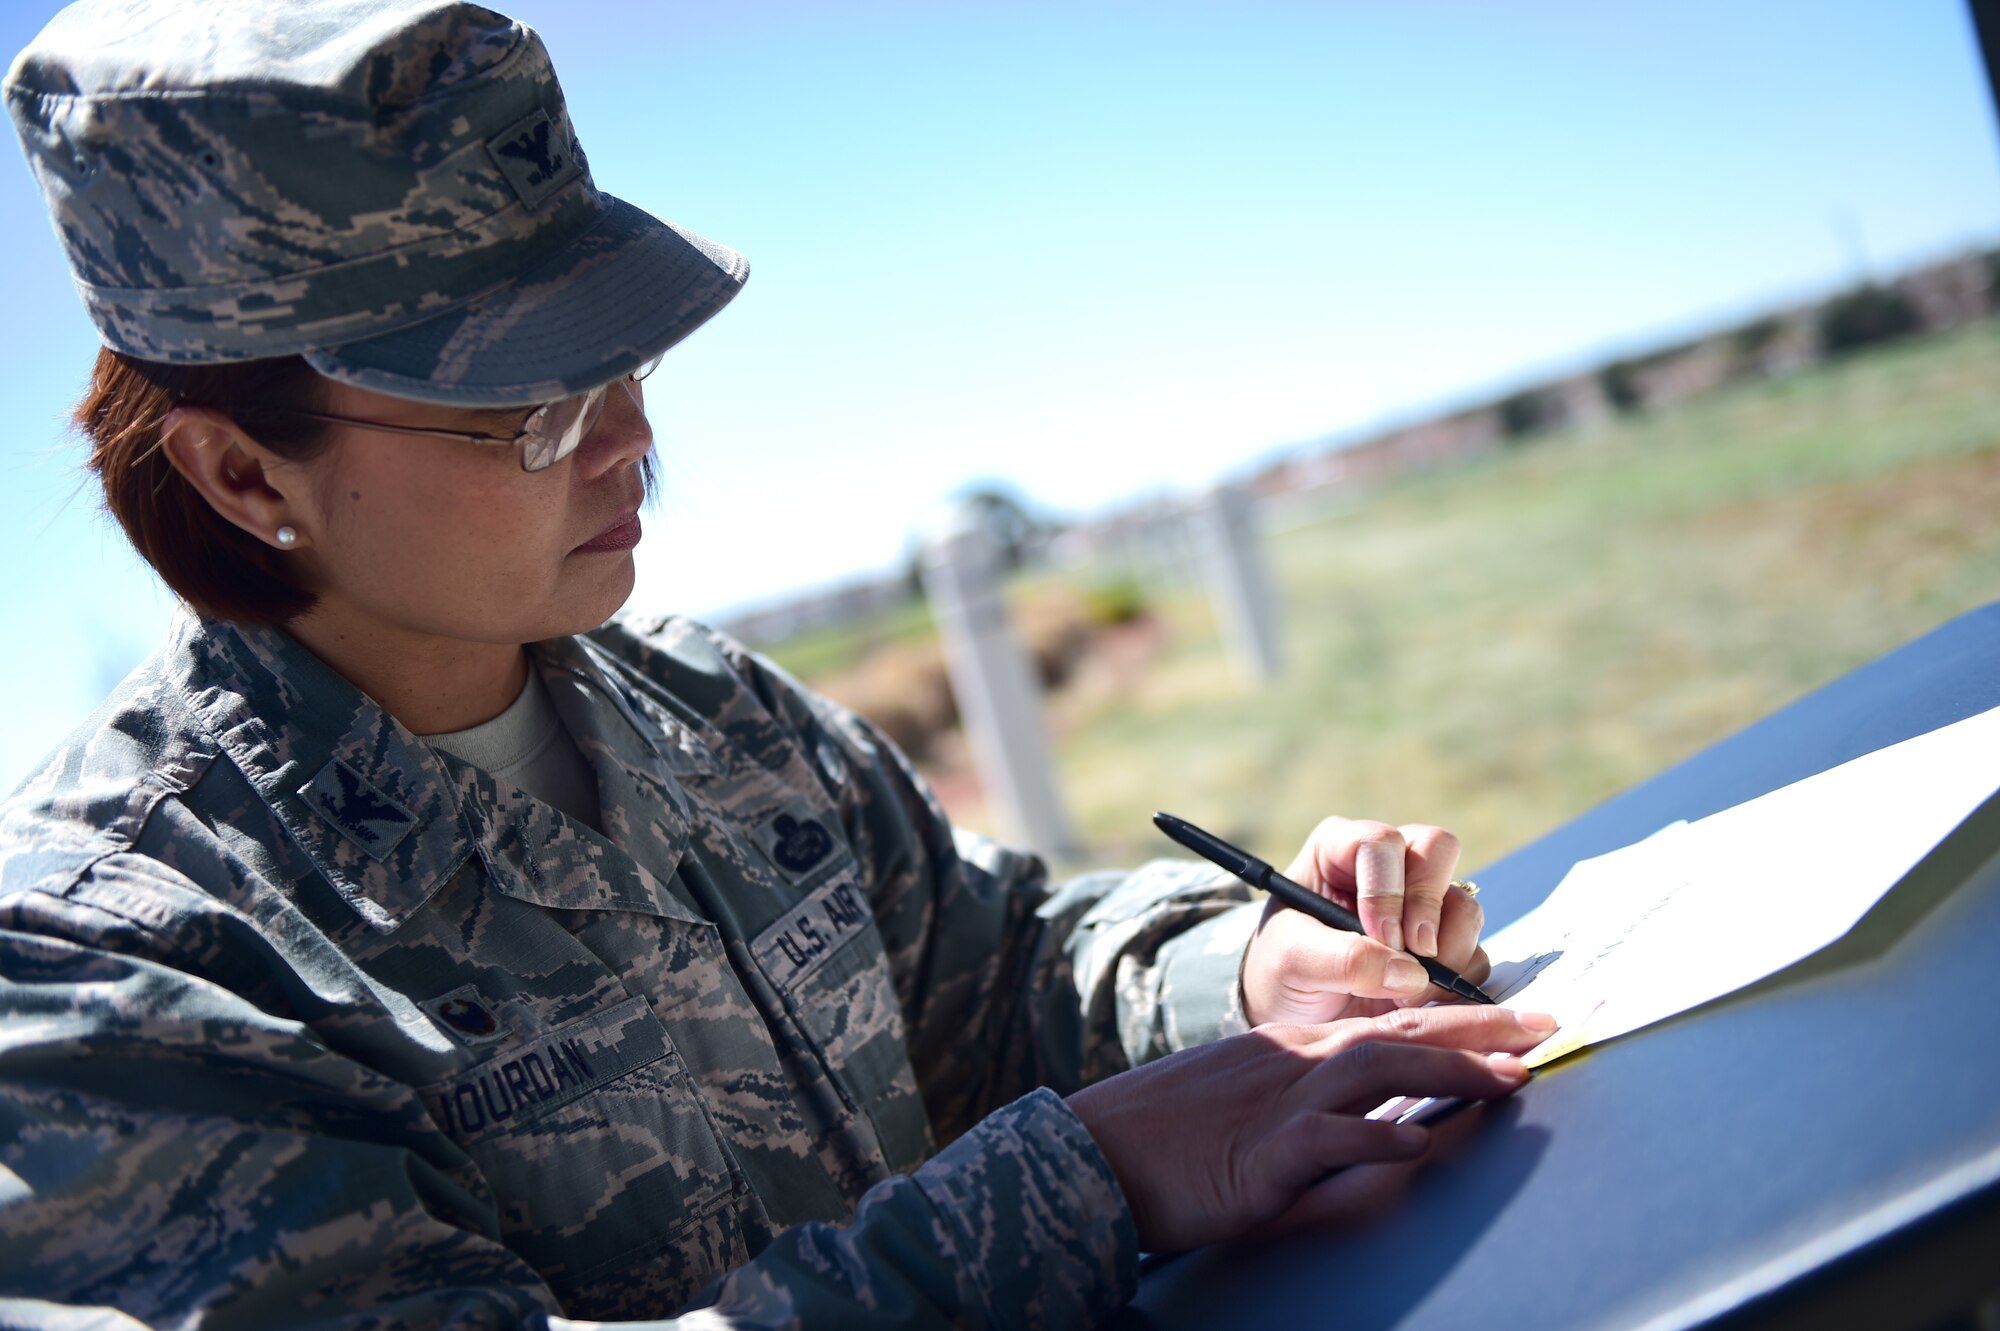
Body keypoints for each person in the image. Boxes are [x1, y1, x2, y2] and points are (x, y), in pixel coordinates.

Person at [0, 1, 1552, 1326]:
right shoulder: (113, 964)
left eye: (625, 362)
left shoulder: (703, 710)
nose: (630, 443)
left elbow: (993, 974)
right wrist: (1082, 1188)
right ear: (243, 477)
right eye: (530, 408)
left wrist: (1252, 977)